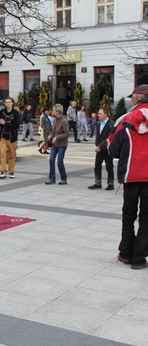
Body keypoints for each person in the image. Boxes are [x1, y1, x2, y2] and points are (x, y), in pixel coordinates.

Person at [107, 84, 148, 270]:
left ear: (136, 99)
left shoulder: (126, 119)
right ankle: (139, 258)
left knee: (128, 216)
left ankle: (125, 253)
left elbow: (112, 149)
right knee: (146, 219)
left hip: (131, 176)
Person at [88, 108, 115, 191]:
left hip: (107, 149)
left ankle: (110, 183)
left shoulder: (111, 124)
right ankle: (97, 182)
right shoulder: (99, 123)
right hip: (99, 149)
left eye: (100, 113)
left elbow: (109, 138)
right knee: (97, 165)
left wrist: (100, 146)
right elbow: (98, 136)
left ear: (105, 114)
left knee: (109, 166)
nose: (98, 115)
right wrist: (97, 145)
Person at [0, 97, 21, 179]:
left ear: (12, 103)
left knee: (12, 155)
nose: (8, 103)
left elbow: (16, 125)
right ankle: (3, 171)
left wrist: (5, 123)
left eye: (9, 102)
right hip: (3, 136)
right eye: (6, 102)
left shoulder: (16, 113)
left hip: (12, 137)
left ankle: (11, 171)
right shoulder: (2, 111)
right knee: (2, 153)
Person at [45, 104, 69, 185]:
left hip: (62, 144)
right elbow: (54, 131)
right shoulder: (55, 120)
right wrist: (51, 135)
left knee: (59, 161)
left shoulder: (64, 121)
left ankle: (63, 178)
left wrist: (57, 137)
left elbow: (67, 134)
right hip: (54, 144)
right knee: (51, 160)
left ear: (58, 112)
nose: (52, 112)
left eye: (54, 111)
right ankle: (52, 178)